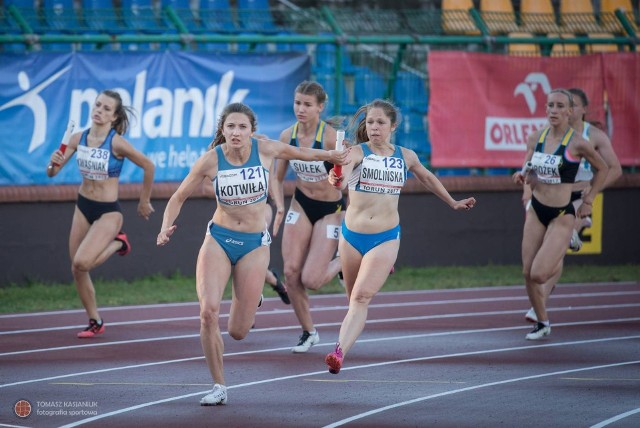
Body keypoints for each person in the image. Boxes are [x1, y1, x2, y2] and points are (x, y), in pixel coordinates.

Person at [156, 102, 348, 405]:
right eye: (230, 126)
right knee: (208, 313)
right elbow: (178, 196)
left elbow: (303, 154)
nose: (236, 132)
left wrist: (331, 156)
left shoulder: (267, 149)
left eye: (242, 127)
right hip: (218, 239)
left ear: (251, 130)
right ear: (223, 130)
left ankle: (253, 294)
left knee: (238, 332)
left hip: (254, 245)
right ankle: (219, 386)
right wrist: (166, 226)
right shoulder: (210, 160)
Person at [323, 99, 476, 374]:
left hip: (385, 236)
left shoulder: (405, 156)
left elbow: (427, 178)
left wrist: (452, 202)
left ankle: (338, 352)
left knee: (360, 298)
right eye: (370, 122)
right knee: (352, 301)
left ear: (393, 126)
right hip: (351, 237)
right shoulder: (357, 152)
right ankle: (376, 274)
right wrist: (337, 179)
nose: (374, 127)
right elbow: (341, 177)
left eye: (380, 122)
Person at [46, 90, 155, 338]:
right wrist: (53, 162)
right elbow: (51, 173)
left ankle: (119, 242)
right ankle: (95, 320)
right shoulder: (77, 138)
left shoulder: (116, 142)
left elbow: (149, 165)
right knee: (78, 269)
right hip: (83, 206)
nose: (99, 110)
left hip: (108, 212)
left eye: (106, 109)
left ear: (114, 117)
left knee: (82, 262)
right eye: (97, 105)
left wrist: (144, 200)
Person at [513, 88, 609, 340]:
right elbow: (528, 167)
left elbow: (604, 169)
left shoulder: (577, 142)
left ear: (569, 111)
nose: (553, 111)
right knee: (526, 273)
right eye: (550, 106)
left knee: (539, 273)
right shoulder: (536, 138)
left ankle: (569, 237)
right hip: (537, 209)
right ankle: (542, 322)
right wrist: (523, 177)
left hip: (561, 213)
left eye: (559, 106)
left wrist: (588, 200)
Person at [271, 81, 346, 353]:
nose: (300, 109)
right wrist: (279, 206)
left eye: (307, 104)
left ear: (320, 107)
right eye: (297, 103)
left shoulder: (330, 138)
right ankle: (308, 332)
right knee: (291, 273)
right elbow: (276, 178)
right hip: (301, 204)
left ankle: (345, 260)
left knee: (311, 280)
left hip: (330, 210)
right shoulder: (286, 136)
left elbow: (349, 178)